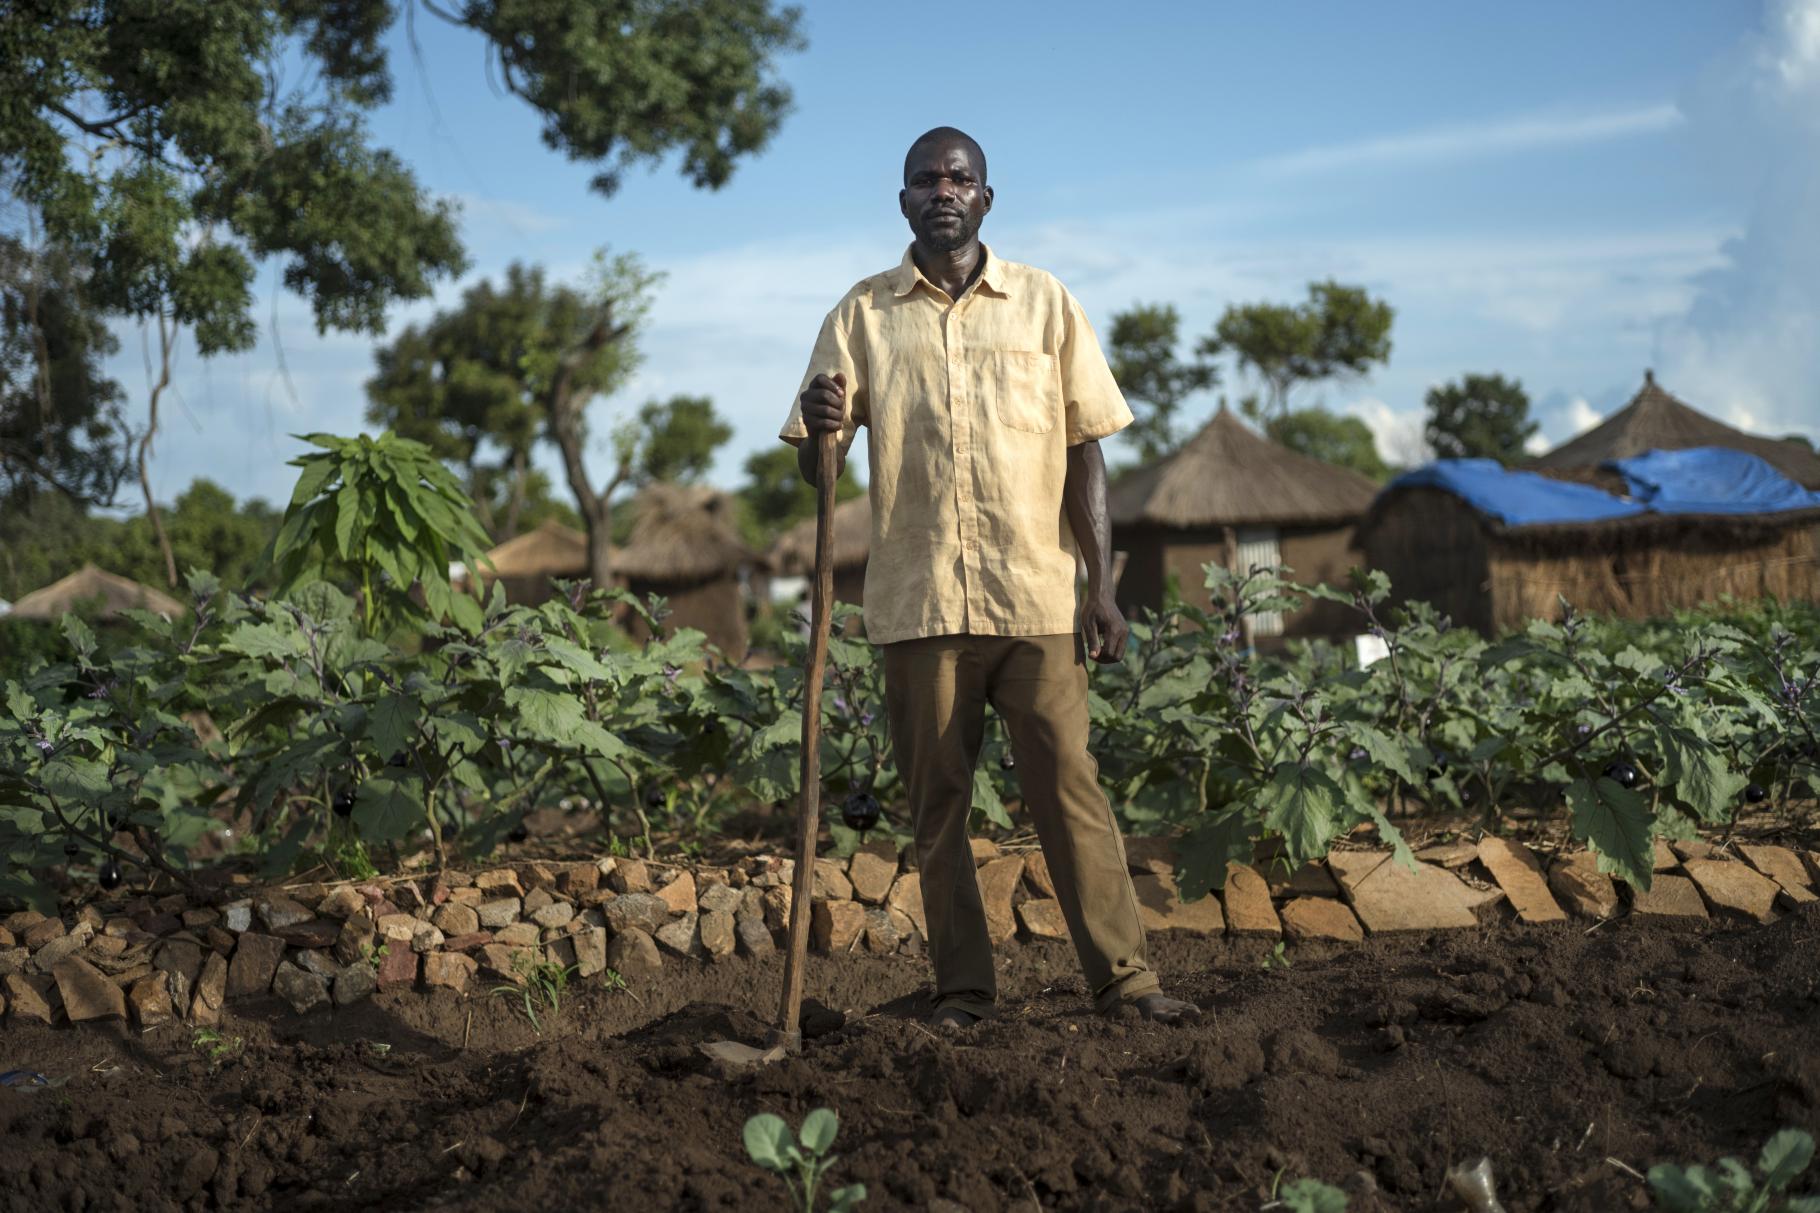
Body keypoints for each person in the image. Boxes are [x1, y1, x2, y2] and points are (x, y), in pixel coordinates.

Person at [778, 126, 1199, 1028]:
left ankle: (1126, 982)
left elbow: (1085, 449)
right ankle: (963, 992)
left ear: (986, 198)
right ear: (903, 202)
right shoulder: (859, 316)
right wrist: (819, 431)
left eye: (959, 177)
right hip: (919, 603)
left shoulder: (1045, 304)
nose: (943, 189)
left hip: (1036, 596)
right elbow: (822, 476)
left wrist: (1101, 584)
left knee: (1068, 787)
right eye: (926, 179)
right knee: (938, 805)